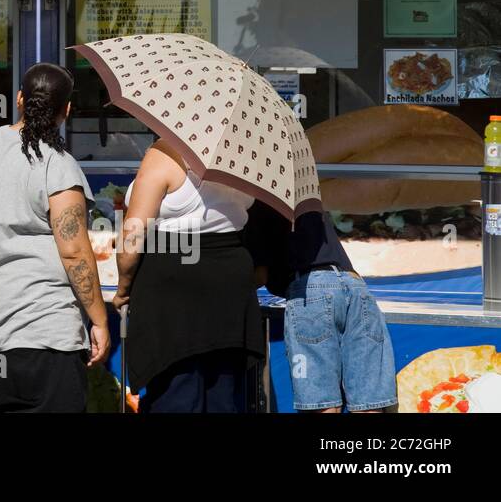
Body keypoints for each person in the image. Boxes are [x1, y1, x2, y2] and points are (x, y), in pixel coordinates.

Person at [0, 63, 110, 413]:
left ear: (20, 99)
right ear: (66, 110)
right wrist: (99, 319)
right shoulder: (59, 165)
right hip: (43, 336)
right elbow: (73, 252)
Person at [114, 138, 265, 413]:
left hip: (174, 287)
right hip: (230, 280)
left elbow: (132, 234)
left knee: (175, 395)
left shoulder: (166, 150)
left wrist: (123, 287)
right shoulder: (244, 150)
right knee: (223, 397)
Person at [244, 201, 397, 413]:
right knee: (368, 406)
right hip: (356, 286)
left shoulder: (257, 206)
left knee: (322, 406)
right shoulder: (307, 199)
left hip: (310, 291)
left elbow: (259, 276)